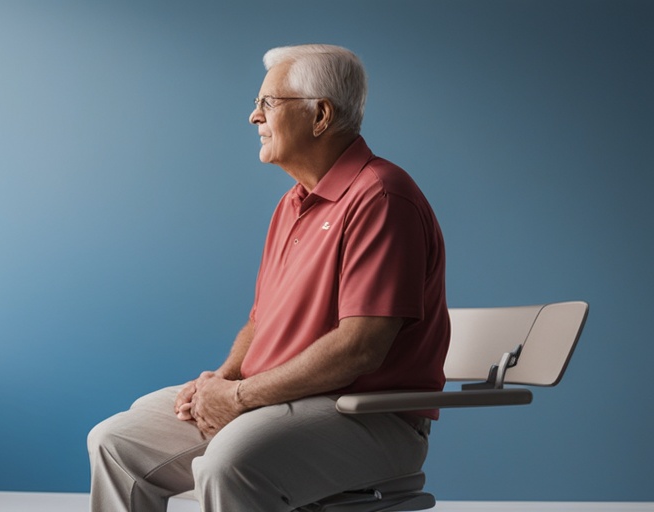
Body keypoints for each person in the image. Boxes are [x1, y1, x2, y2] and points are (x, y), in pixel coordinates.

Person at [87, 44, 450, 512]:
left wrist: (238, 396)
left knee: (230, 461)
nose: (253, 117)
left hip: (367, 417)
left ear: (320, 115)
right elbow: (261, 323)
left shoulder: (380, 196)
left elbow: (362, 346)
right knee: (115, 442)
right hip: (274, 400)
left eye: (268, 104)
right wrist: (220, 382)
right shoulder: (291, 204)